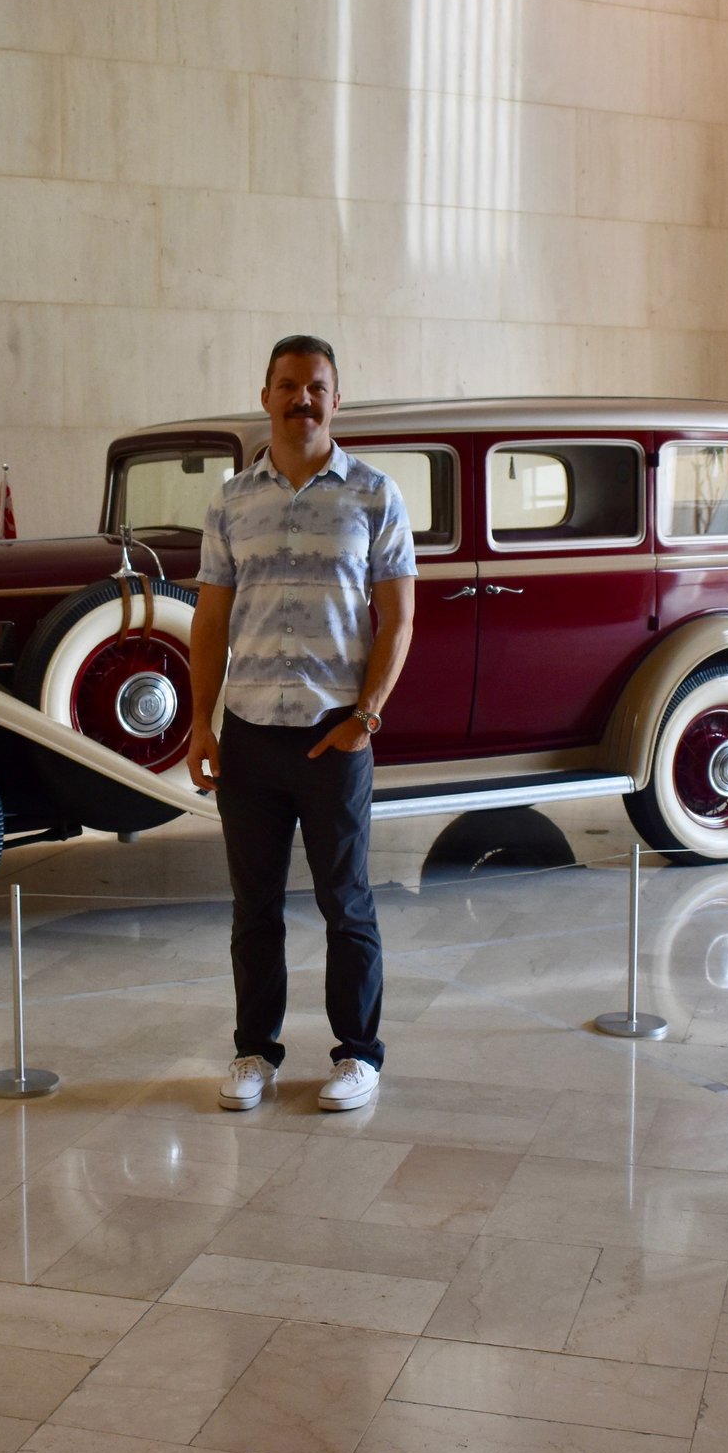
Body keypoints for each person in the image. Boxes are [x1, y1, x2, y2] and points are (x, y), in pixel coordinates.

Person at [187, 335, 416, 1114]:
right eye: (288, 386)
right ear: (266, 396)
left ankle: (358, 1054)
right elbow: (210, 624)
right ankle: (255, 1053)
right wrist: (202, 724)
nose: (302, 400)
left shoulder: (376, 495)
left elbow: (399, 620)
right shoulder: (229, 501)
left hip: (334, 736)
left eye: (316, 386)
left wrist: (366, 717)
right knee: (253, 908)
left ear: (336, 399)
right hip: (248, 735)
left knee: (345, 901)